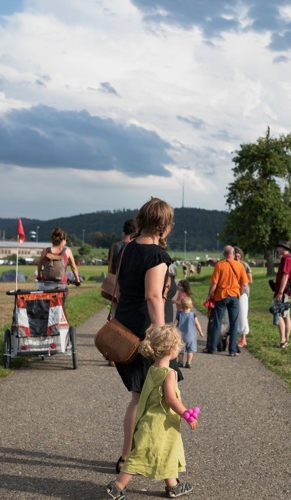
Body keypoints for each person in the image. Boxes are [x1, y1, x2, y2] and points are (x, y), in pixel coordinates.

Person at [112, 197, 175, 475]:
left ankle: (127, 457)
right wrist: (163, 338)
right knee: (146, 397)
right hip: (144, 334)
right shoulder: (157, 256)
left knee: (138, 396)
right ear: (163, 226)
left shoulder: (127, 249)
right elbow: (152, 296)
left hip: (124, 328)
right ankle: (137, 462)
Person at [106, 324, 197, 500]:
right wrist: (186, 413)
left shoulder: (152, 369)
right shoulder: (169, 374)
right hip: (158, 425)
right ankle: (117, 486)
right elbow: (171, 399)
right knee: (139, 457)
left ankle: (173, 486)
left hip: (152, 421)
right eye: (177, 347)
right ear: (171, 350)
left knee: (165, 453)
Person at [204, 245, 248, 356]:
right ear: (233, 254)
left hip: (221, 296)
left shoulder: (219, 265)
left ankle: (212, 348)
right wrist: (238, 291)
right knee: (234, 324)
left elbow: (214, 283)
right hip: (234, 296)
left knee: (217, 322)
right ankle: (232, 350)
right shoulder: (240, 266)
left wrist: (210, 295)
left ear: (224, 254)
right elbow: (244, 283)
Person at [273, 240, 291, 348]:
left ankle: (283, 340)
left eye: (279, 247)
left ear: (283, 248)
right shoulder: (287, 259)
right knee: (286, 316)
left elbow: (285, 276)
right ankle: (286, 340)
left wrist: (280, 292)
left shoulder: (287, 260)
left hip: (283, 293)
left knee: (279, 315)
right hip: (286, 292)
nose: (277, 249)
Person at [175, 297, 204, 368]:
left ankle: (180, 362)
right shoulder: (193, 315)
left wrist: (172, 332)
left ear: (181, 305)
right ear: (191, 305)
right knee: (190, 351)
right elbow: (197, 324)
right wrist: (200, 332)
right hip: (191, 336)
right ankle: (188, 363)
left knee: (180, 350)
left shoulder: (179, 315)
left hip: (181, 336)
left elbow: (174, 324)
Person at [233, 247, 252, 347]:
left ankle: (243, 338)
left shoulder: (244, 265)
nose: (236, 258)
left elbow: (250, 280)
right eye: (235, 256)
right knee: (230, 315)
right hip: (231, 292)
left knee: (242, 315)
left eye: (238, 256)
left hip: (242, 292)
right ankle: (233, 337)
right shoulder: (230, 264)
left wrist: (241, 281)